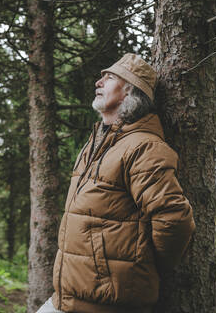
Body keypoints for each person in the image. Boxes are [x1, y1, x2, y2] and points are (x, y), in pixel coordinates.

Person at [37, 53, 196, 313]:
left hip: (107, 303)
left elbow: (174, 219)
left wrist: (145, 263)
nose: (98, 83)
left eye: (109, 78)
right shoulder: (97, 143)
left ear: (129, 92)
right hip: (69, 297)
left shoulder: (144, 146)